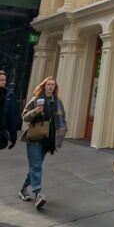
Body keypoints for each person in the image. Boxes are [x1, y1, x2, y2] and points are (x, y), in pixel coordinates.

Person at [20, 77, 67, 209]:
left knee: (36, 166)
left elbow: (63, 118)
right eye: (48, 84)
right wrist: (35, 111)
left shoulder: (58, 102)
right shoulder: (35, 100)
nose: (51, 86)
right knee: (36, 166)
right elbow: (24, 116)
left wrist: (62, 131)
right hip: (35, 137)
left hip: (48, 138)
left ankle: (23, 189)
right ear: (44, 86)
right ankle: (38, 194)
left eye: (53, 85)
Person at [0, 70, 17, 150]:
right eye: (1, 80)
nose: (4, 82)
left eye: (5, 80)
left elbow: (11, 117)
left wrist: (13, 137)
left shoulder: (8, 95)